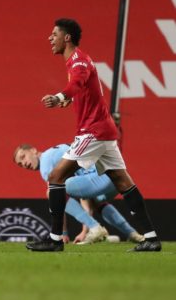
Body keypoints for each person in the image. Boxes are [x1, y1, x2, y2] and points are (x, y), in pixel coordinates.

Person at [29, 18, 160, 252]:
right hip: (104, 130)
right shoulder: (79, 60)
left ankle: (55, 239)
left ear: (66, 37)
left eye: (54, 34)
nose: (50, 38)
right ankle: (151, 238)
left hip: (93, 131)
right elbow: (83, 88)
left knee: (56, 177)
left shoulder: (77, 61)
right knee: (123, 181)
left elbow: (78, 82)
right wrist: (70, 99)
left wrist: (60, 96)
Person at [14, 143, 145, 244]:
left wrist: (63, 233)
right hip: (114, 176)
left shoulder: (45, 163)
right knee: (96, 201)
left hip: (100, 177)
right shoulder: (55, 153)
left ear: (33, 150)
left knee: (52, 192)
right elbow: (85, 197)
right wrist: (84, 231)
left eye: (23, 157)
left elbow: (56, 198)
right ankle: (132, 234)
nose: (24, 163)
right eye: (20, 164)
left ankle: (96, 228)